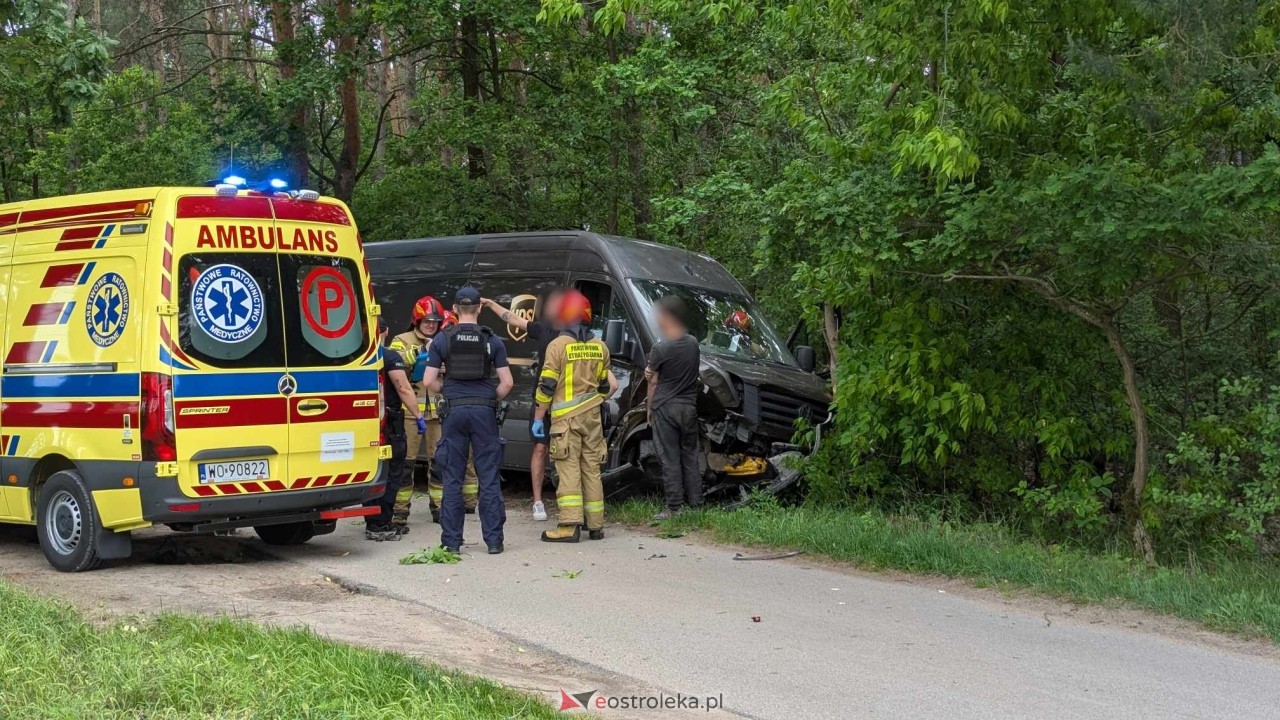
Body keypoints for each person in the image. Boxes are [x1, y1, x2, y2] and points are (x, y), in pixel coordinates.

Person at [421, 286, 514, 554]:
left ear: (453, 309)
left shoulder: (442, 339)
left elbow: (428, 381)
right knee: (488, 477)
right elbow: (507, 382)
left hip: (454, 412)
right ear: (480, 308)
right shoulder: (491, 339)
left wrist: (448, 393)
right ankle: (494, 542)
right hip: (484, 412)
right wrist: (488, 399)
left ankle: (451, 543)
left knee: (452, 477)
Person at [532, 289, 617, 543]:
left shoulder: (557, 346)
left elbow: (546, 386)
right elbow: (605, 386)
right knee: (591, 469)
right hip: (592, 421)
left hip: (565, 422)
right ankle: (596, 525)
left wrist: (539, 417)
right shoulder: (600, 347)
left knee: (568, 469)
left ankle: (568, 526)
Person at [482, 289, 565, 521]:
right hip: (543, 402)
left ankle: (568, 500)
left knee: (567, 454)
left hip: (567, 404)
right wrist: (491, 304)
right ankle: (538, 502)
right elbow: (514, 319)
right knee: (540, 449)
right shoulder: (545, 330)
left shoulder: (577, 334)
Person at [388, 295, 446, 534]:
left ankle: (440, 508)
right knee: (405, 464)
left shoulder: (445, 339)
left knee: (440, 463)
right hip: (410, 414)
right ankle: (400, 512)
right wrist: (425, 356)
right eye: (426, 320)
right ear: (417, 320)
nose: (431, 325)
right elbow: (394, 363)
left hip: (437, 412)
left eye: (435, 321)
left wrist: (445, 366)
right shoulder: (402, 340)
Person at [368, 318, 427, 540]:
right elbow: (403, 388)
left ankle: (372, 521)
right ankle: (382, 524)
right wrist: (418, 414)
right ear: (386, 331)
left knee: (372, 470)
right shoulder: (389, 356)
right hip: (390, 421)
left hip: (367, 420)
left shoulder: (359, 358)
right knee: (393, 470)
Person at [646, 296, 703, 521]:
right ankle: (696, 504)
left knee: (669, 458)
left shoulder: (660, 348)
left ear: (668, 317)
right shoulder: (693, 343)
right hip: (688, 408)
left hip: (666, 407)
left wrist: (650, 408)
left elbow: (653, 381)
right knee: (690, 456)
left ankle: (674, 507)